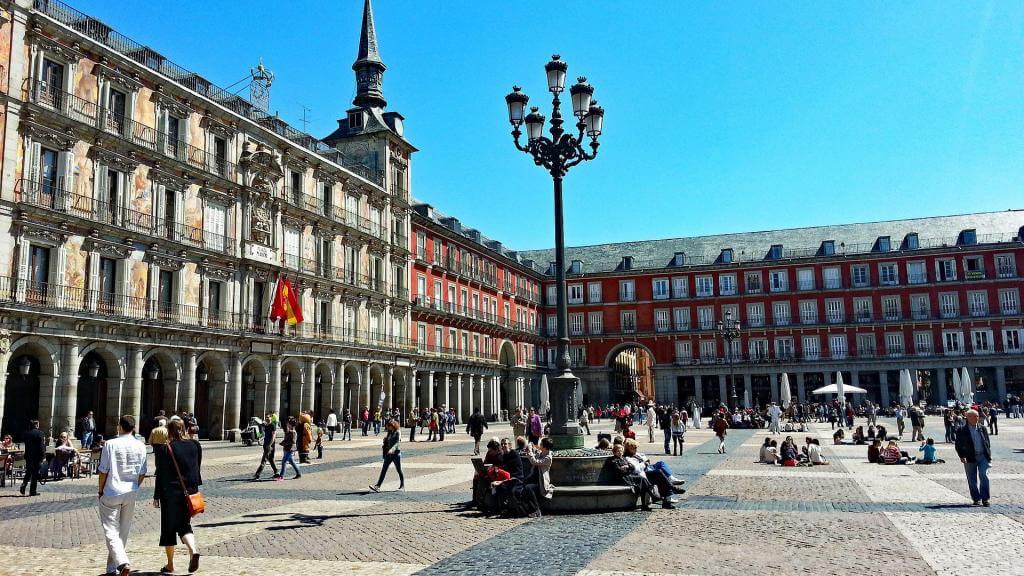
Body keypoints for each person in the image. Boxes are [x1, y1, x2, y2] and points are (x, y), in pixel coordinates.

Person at [97, 415, 148, 576]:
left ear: (119, 426)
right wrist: (134, 486)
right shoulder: (141, 446)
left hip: (112, 491)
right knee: (123, 531)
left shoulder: (110, 444)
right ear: (133, 428)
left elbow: (103, 471)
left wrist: (100, 490)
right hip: (130, 491)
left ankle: (121, 562)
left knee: (111, 531)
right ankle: (112, 568)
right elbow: (142, 473)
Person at [153, 419, 202, 574]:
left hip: (170, 494)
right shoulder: (195, 445)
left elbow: (160, 475)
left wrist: (157, 496)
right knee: (184, 525)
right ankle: (193, 550)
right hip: (190, 492)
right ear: (184, 429)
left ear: (169, 431)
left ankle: (170, 565)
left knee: (168, 529)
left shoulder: (165, 449)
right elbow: (197, 467)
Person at [954, 409, 992, 506]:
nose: (977, 418)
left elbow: (987, 442)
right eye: (975, 417)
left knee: (984, 475)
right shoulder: (961, 430)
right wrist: (962, 456)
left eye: (978, 416)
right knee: (972, 479)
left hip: (983, 456)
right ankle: (976, 498)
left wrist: (988, 455)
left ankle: (985, 498)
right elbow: (958, 444)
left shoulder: (982, 428)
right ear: (968, 418)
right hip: (969, 457)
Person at [606, 443, 654, 511]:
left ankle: (645, 503)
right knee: (641, 480)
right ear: (614, 452)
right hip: (623, 478)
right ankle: (650, 499)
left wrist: (627, 467)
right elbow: (619, 471)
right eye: (618, 451)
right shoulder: (613, 460)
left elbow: (632, 467)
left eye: (621, 451)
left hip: (628, 476)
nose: (620, 453)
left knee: (642, 480)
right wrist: (627, 467)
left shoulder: (623, 458)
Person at [369, 419, 405, 492]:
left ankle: (402, 486)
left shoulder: (398, 432)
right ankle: (378, 486)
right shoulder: (390, 432)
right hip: (388, 454)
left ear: (393, 426)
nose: (388, 428)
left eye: (389, 426)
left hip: (396, 454)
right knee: (384, 470)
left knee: (399, 470)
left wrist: (392, 449)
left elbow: (397, 443)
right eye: (388, 426)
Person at [20, 419, 45, 496]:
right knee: (35, 473)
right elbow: (41, 446)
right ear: (37, 425)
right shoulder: (40, 433)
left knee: (28, 471)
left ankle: (24, 484)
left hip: (28, 455)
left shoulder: (26, 433)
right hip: (37, 456)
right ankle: (32, 491)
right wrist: (43, 456)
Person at [254, 413, 278, 480]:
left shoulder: (273, 425)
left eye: (268, 417)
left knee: (264, 460)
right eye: (266, 417)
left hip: (270, 445)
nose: (267, 418)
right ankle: (276, 472)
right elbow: (260, 425)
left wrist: (270, 445)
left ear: (271, 418)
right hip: (265, 444)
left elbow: (273, 436)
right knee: (271, 459)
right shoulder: (266, 425)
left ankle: (257, 474)